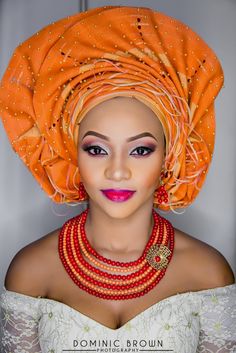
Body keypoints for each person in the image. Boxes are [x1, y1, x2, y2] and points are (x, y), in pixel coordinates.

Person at [0, 5, 235, 353]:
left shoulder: (209, 273)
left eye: (141, 150)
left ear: (170, 157)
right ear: (71, 152)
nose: (118, 171)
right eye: (97, 149)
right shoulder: (30, 271)